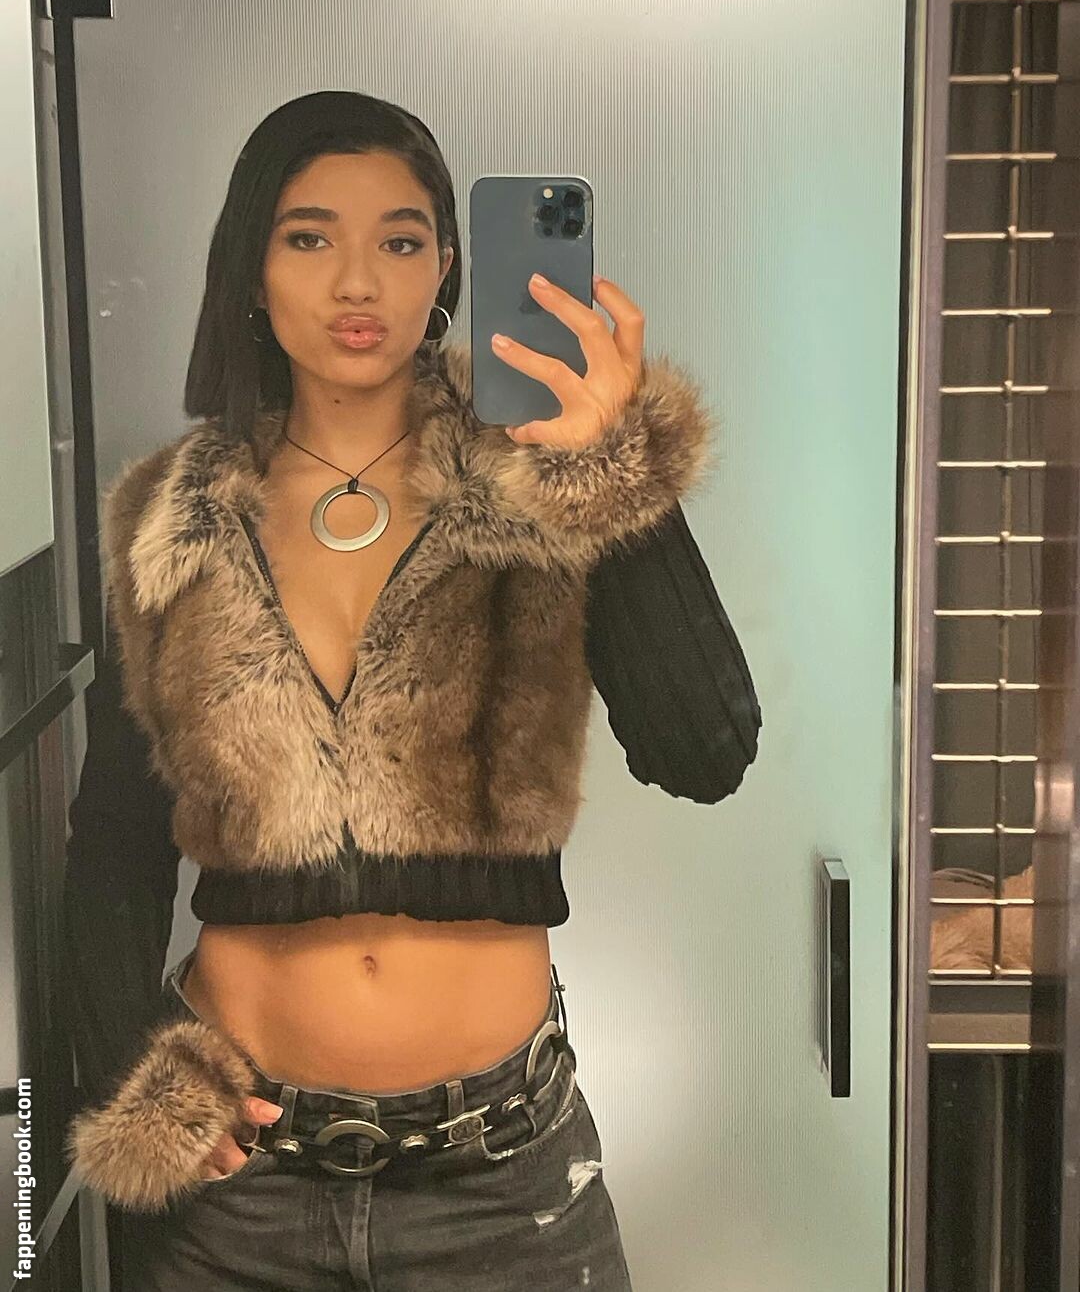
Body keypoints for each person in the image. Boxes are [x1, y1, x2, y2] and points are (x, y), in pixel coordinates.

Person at [61, 90, 761, 1290]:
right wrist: (138, 1072)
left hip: (504, 1189)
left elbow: (704, 749)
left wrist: (609, 466)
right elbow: (116, 841)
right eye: (309, 236)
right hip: (242, 1202)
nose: (356, 281)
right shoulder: (173, 516)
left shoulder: (530, 479)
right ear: (251, 265)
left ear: (445, 266)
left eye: (399, 239)